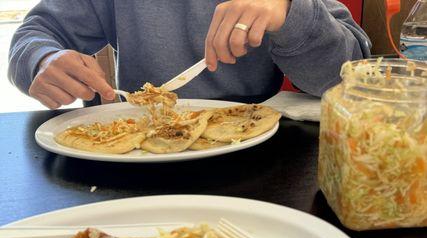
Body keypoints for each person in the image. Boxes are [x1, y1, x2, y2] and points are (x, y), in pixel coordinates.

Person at [8, 0, 371, 110]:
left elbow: (350, 79)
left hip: (256, 162)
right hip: (134, 164)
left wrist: (289, 13)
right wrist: (42, 60)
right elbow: (35, 34)